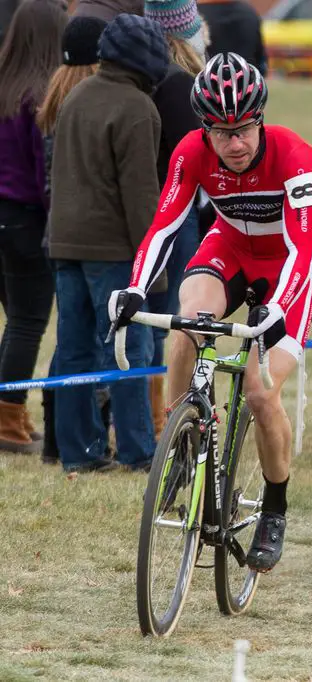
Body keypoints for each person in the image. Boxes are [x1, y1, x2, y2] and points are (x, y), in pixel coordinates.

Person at [110, 52, 312, 571]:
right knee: (185, 326)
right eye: (222, 132)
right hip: (229, 247)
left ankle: (275, 507)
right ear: (205, 128)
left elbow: (304, 249)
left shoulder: (294, 156)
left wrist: (276, 308)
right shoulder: (192, 151)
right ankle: (182, 438)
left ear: (261, 118)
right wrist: (135, 289)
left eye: (245, 128)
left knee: (259, 392)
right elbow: (164, 225)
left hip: (288, 267)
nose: (235, 144)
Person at [48, 13, 168, 472]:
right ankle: (139, 452)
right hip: (113, 251)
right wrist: (150, 268)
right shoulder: (138, 108)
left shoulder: (76, 94)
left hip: (64, 243)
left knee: (74, 351)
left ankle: (79, 453)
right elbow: (141, 197)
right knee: (129, 350)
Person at [36, 14, 110, 465]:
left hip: (55, 236)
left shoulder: (52, 99)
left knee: (70, 342)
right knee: (90, 343)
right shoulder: (90, 101)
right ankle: (80, 438)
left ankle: (57, 439)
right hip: (89, 239)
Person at [0, 0, 65, 454]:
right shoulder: (38, 96)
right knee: (27, 323)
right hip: (24, 218)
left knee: (15, 321)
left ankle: (13, 415)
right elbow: (44, 174)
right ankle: (7, 419)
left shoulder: (5, 86)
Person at [145, 0, 205, 438]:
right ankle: (159, 416)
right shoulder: (179, 84)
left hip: (144, 207)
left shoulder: (143, 76)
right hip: (176, 212)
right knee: (170, 321)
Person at [197, 0, 264, 73]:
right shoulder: (250, 13)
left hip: (206, 80)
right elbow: (261, 63)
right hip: (246, 80)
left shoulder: (195, 17)